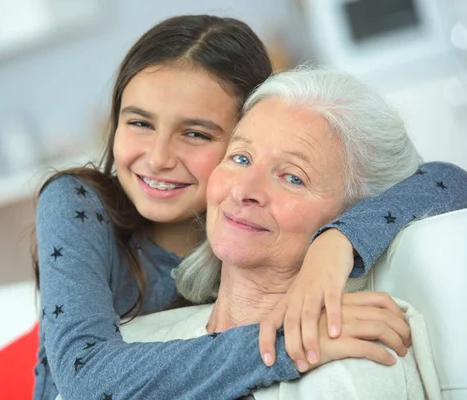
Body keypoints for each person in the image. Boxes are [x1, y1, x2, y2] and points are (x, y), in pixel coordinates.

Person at [35, 15, 467, 399]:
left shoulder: (245, 227)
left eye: (197, 134)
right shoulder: (80, 203)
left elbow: (447, 180)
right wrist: (286, 344)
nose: (159, 157)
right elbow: (84, 378)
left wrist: (338, 242)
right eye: (139, 122)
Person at [108, 67, 435, 399]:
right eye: (240, 157)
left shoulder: (357, 365)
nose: (244, 190)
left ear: (357, 214)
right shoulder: (125, 347)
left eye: (293, 178)